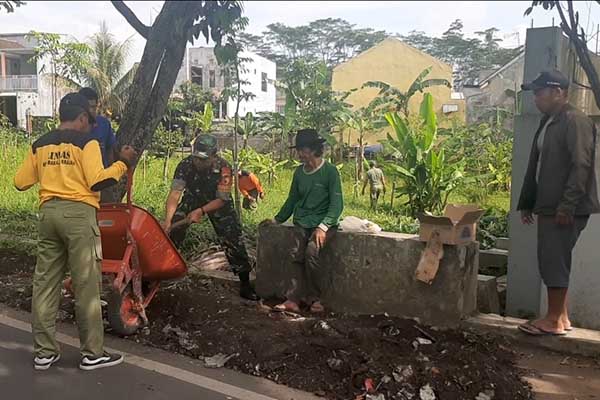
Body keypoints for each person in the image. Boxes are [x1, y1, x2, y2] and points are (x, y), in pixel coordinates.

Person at [14, 93, 137, 370]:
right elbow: (98, 181)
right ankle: (93, 354)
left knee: (45, 283)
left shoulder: (40, 143)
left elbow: (20, 182)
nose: (91, 126)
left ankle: (44, 352)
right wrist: (123, 163)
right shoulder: (87, 142)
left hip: (48, 215)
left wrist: (52, 171)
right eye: (89, 121)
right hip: (78, 215)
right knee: (86, 285)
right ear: (82, 117)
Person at [517, 70, 599, 336]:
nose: (536, 99)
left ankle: (553, 320)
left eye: (540, 93)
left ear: (559, 93)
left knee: (554, 259)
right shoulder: (549, 121)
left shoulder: (575, 121)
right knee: (554, 258)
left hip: (564, 207)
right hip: (550, 204)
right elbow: (538, 166)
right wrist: (529, 202)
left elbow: (581, 165)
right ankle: (561, 317)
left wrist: (567, 205)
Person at [163, 134, 259, 301]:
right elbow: (175, 194)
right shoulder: (185, 165)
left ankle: (245, 283)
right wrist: (168, 221)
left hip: (217, 202)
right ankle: (162, 270)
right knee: (173, 229)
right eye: (196, 158)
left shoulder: (225, 169)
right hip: (193, 198)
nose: (199, 163)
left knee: (233, 237)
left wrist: (201, 211)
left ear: (214, 156)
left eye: (204, 159)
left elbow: (222, 199)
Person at [267, 128, 343, 313]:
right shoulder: (299, 173)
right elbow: (292, 199)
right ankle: (292, 299)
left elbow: (337, 204)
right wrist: (277, 220)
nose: (300, 154)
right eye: (299, 150)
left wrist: (323, 227)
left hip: (323, 223)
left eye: (303, 150)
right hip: (302, 221)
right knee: (294, 253)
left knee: (312, 253)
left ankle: (317, 299)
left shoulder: (330, 172)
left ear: (315, 149)